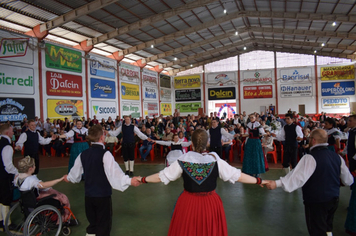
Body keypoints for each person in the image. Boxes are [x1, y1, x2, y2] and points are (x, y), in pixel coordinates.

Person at [137, 129, 269, 236]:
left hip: (187, 203)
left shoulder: (183, 160)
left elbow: (162, 176)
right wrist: (259, 180)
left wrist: (143, 179)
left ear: (192, 144)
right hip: (210, 203)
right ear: (207, 143)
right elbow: (238, 176)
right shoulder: (216, 161)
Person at [266, 129, 353, 236]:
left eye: (310, 138)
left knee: (317, 229)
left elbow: (297, 177)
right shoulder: (337, 157)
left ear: (314, 140)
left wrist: (277, 183)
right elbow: (348, 180)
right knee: (327, 226)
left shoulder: (310, 157)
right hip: (334, 198)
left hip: (316, 200)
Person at [64, 125, 141, 236]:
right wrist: (130, 181)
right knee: (103, 226)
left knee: (93, 225)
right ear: (101, 137)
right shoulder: (105, 154)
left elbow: (74, 175)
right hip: (102, 196)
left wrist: (68, 177)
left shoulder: (83, 154)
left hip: (89, 197)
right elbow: (115, 174)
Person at [14, 156, 71, 222]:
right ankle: (64, 219)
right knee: (63, 198)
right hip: (37, 199)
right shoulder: (31, 180)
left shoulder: (17, 177)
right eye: (34, 165)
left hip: (26, 200)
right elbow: (43, 185)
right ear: (30, 168)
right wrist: (59, 179)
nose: (35, 166)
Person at [0, 124, 18, 231]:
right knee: (6, 198)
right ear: (8, 133)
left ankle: (1, 221)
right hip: (4, 176)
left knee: (0, 198)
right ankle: (8, 223)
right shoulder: (7, 146)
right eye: (12, 131)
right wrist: (17, 172)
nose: (13, 133)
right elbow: (8, 166)